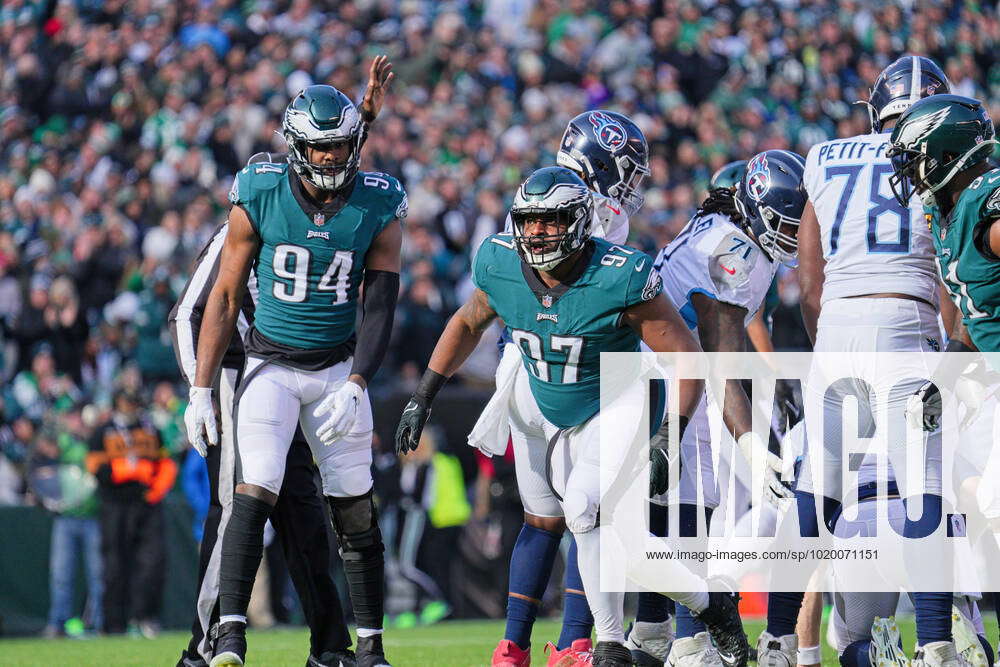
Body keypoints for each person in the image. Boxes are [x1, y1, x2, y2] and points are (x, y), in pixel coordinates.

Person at [396, 166, 752, 667]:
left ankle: (606, 645)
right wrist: (423, 395)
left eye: (551, 221)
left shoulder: (618, 275)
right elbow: (468, 321)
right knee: (620, 540)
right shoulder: (500, 263)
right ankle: (711, 605)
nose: (537, 233)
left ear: (581, 222)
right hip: (557, 409)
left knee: (582, 509)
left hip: (619, 399)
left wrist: (670, 433)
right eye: (529, 221)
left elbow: (686, 356)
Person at [172, 55, 393, 667]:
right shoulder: (252, 214)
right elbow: (196, 312)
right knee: (240, 501)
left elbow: (332, 176)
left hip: (305, 367)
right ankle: (205, 641)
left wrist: (365, 116)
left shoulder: (309, 191)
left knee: (303, 510)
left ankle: (329, 643)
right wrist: (203, 391)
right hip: (241, 371)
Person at [791, 56, 963, 667]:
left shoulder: (822, 157)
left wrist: (830, 342)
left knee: (819, 493)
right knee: (925, 492)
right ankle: (938, 641)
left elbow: (809, 287)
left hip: (838, 324)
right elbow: (952, 274)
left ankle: (785, 642)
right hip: (905, 321)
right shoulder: (941, 154)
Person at [485, 109, 649, 667]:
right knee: (590, 515)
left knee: (541, 519)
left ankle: (512, 645)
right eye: (626, 171)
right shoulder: (592, 214)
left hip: (521, 370)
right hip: (573, 377)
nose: (630, 185)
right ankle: (580, 641)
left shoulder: (533, 199)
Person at [644, 149, 806, 667]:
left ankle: (653, 632)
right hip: (661, 371)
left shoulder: (722, 222)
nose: (789, 235)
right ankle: (690, 636)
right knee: (688, 504)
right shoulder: (736, 251)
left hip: (654, 364)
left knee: (674, 506)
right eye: (783, 223)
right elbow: (720, 367)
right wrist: (755, 447)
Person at [85, 389, 177, 636]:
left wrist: (156, 490)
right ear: (117, 403)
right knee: (115, 565)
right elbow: (94, 466)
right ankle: (114, 623)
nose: (130, 407)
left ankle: (145, 617)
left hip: (145, 504)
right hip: (115, 505)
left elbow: (166, 464)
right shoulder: (103, 431)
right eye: (126, 402)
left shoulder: (150, 430)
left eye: (134, 402)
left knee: (152, 562)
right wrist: (124, 472)